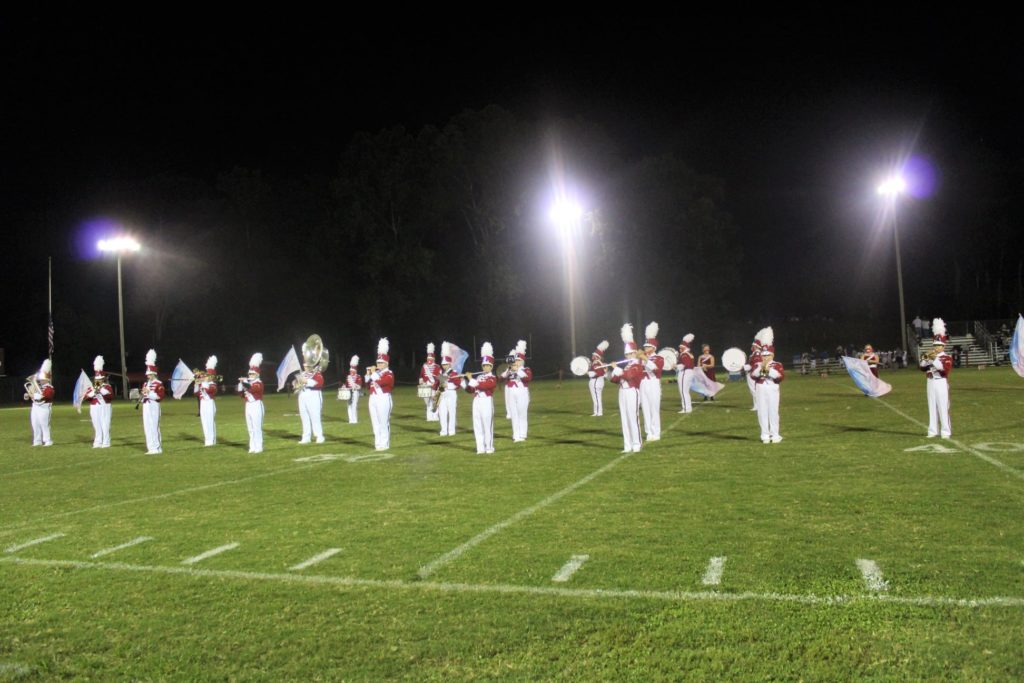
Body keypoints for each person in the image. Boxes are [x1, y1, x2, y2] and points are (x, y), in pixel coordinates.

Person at [610, 323, 644, 453]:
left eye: (631, 354)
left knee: (632, 418)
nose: (629, 356)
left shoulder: (637, 365)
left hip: (632, 392)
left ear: (635, 353)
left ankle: (636, 444)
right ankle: (627, 445)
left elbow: (629, 376)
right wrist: (613, 373)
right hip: (622, 392)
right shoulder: (628, 365)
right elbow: (615, 380)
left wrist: (617, 369)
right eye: (627, 354)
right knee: (624, 419)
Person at [920, 318, 953, 438]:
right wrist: (925, 359)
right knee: (932, 406)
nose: (937, 347)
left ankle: (945, 431)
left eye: (939, 345)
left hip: (941, 382)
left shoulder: (947, 357)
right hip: (930, 382)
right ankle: (932, 431)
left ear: (943, 346)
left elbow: (944, 369)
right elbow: (922, 368)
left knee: (943, 407)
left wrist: (934, 359)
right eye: (935, 345)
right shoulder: (930, 355)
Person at [750, 327, 784, 443]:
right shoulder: (758, 365)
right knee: (762, 412)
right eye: (763, 355)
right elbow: (753, 376)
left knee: (773, 411)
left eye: (768, 355)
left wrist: (767, 370)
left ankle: (775, 435)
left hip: (773, 388)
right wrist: (763, 368)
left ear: (772, 355)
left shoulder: (777, 364)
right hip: (761, 388)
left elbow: (780, 377)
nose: (765, 357)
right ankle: (764, 435)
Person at [464, 342, 497, 454]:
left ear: (491, 366)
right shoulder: (478, 377)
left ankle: (489, 447)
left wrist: (471, 379)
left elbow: (485, 386)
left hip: (486, 401)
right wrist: (464, 383)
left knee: (487, 425)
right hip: (476, 401)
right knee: (477, 424)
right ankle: (480, 448)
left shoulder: (492, 377)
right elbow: (471, 390)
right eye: (484, 365)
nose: (485, 367)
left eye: (488, 365)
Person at [365, 338, 395, 450]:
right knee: (375, 423)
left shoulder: (389, 373)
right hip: (373, 398)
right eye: (378, 362)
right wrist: (368, 375)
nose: (379, 364)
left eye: (381, 362)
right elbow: (368, 386)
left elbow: (381, 382)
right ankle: (378, 443)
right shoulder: (376, 373)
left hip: (383, 398)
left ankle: (385, 443)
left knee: (383, 422)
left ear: (386, 363)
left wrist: (372, 373)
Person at [501, 339, 532, 442]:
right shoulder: (510, 369)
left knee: (522, 414)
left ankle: (523, 434)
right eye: (516, 360)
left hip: (522, 392)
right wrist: (509, 370)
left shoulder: (525, 369)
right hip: (511, 393)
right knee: (514, 414)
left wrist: (517, 370)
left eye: (519, 360)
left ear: (522, 361)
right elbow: (501, 378)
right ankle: (516, 435)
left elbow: (528, 378)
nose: (517, 362)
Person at [639, 322, 664, 440]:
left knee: (654, 408)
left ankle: (656, 432)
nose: (645, 348)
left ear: (653, 348)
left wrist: (645, 359)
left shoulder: (659, 358)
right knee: (645, 408)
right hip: (643, 384)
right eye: (644, 347)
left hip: (653, 383)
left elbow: (656, 370)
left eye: (647, 347)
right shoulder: (642, 359)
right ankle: (648, 432)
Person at [83, 355, 113, 448]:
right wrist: (92, 393)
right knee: (96, 424)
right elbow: (86, 397)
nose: (98, 380)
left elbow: (110, 396)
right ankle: (97, 441)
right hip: (94, 407)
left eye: (99, 379)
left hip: (105, 407)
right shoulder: (92, 387)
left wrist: (101, 390)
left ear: (103, 379)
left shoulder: (107, 386)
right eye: (96, 379)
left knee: (105, 424)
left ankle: (106, 442)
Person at [237, 353, 264, 453]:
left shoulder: (259, 383)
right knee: (250, 428)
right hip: (248, 405)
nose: (250, 376)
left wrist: (244, 382)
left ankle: (259, 446)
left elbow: (252, 389)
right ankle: (252, 446)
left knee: (257, 427)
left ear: (257, 374)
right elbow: (242, 395)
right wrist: (240, 384)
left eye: (252, 374)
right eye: (249, 374)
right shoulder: (248, 383)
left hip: (256, 405)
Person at [24, 358, 55, 446]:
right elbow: (32, 395)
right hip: (35, 406)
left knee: (44, 424)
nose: (40, 381)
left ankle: (48, 440)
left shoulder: (50, 388)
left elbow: (45, 396)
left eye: (42, 379)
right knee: (35, 423)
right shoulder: (37, 387)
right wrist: (27, 395)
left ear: (47, 380)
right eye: (40, 379)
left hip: (44, 407)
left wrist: (33, 395)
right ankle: (37, 441)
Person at [296, 353, 325, 444]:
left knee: (315, 416)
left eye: (307, 366)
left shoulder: (317, 373)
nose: (305, 367)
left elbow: (319, 383)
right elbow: (298, 384)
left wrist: (306, 381)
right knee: (304, 416)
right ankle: (306, 436)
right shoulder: (303, 374)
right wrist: (296, 384)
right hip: (303, 395)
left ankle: (319, 436)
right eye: (304, 365)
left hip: (313, 395)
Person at [435, 341, 462, 436]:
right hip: (442, 394)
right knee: (442, 412)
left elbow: (458, 384)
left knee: (451, 412)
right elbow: (438, 385)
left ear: (450, 364)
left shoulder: (454, 373)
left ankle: (451, 430)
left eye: (446, 364)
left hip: (451, 394)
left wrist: (448, 386)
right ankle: (443, 430)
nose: (444, 366)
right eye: (443, 365)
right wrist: (437, 394)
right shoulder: (442, 374)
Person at [141, 349, 165, 454]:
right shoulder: (146, 384)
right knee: (147, 426)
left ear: (154, 374)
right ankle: (150, 447)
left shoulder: (158, 383)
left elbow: (160, 396)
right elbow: (144, 395)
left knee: (154, 425)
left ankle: (157, 447)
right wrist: (142, 395)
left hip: (154, 406)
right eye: (148, 374)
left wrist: (149, 393)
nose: (148, 376)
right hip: (146, 406)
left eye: (150, 374)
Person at [194, 355, 218, 446]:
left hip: (209, 403)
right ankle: (207, 440)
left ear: (211, 377)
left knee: (210, 422)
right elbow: (196, 393)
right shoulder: (203, 384)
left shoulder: (212, 384)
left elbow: (209, 391)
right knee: (204, 421)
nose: (205, 377)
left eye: (207, 376)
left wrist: (202, 382)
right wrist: (196, 383)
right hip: (203, 404)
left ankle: (211, 440)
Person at [419, 343, 441, 422]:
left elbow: (439, 377)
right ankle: (429, 417)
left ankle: (435, 416)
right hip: (426, 386)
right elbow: (421, 375)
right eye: (428, 358)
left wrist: (435, 384)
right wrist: (421, 380)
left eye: (431, 358)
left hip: (434, 386)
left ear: (434, 359)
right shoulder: (424, 366)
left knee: (435, 401)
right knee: (428, 402)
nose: (429, 360)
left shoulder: (437, 367)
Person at [587, 340, 609, 416]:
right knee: (596, 397)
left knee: (596, 397)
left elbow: (596, 373)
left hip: (596, 381)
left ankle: (599, 412)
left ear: (597, 356)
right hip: (598, 381)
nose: (592, 356)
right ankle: (596, 412)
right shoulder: (599, 363)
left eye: (594, 355)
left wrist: (588, 373)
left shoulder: (597, 363)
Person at [676, 333, 695, 414]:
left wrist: (675, 366)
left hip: (685, 373)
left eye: (681, 347)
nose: (679, 348)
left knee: (683, 391)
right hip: (689, 372)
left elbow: (684, 365)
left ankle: (685, 408)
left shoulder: (684, 354)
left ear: (684, 348)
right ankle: (688, 407)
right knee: (686, 391)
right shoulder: (688, 354)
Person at [344, 355, 363, 424]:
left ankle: (354, 420)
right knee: (349, 405)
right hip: (349, 392)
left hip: (355, 392)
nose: (351, 372)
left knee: (354, 405)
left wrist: (354, 385)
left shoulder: (358, 377)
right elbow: (346, 384)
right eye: (350, 371)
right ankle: (350, 419)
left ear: (355, 371)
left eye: (352, 371)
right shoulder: (348, 377)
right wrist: (344, 387)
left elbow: (359, 386)